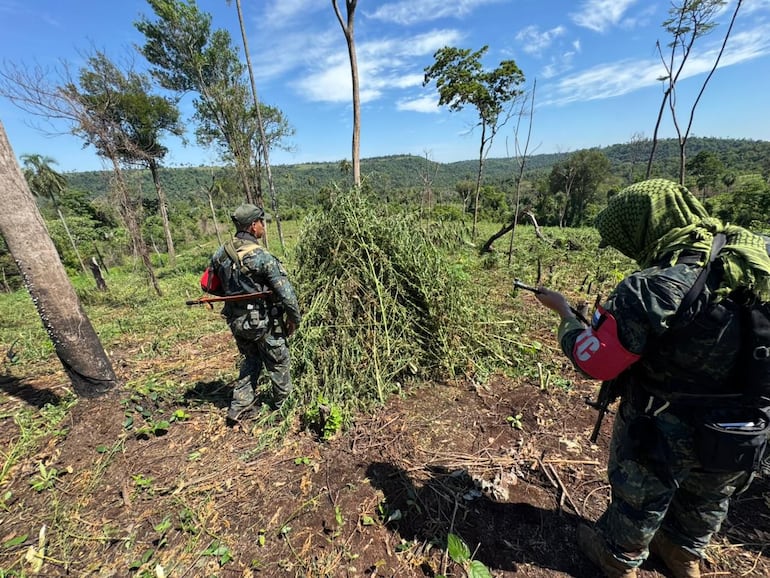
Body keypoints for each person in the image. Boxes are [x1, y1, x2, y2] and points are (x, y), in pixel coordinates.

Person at [533, 178, 770, 578]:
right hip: (743, 423)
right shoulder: (756, 256)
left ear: (644, 226)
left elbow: (597, 362)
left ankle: (617, 557)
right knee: (711, 492)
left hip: (662, 420)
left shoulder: (654, 288)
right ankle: (683, 552)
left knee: (642, 490)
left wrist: (566, 317)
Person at [209, 203, 301, 425]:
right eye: (262, 222)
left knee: (251, 359)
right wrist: (293, 320)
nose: (263, 226)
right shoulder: (261, 256)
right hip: (262, 322)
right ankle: (283, 408)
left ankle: (239, 406)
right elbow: (287, 294)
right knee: (278, 361)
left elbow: (213, 286)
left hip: (236, 321)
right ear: (253, 226)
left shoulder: (221, 253)